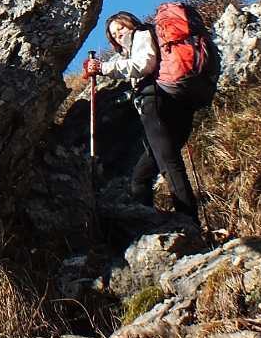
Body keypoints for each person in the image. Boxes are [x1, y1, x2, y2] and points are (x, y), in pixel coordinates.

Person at [84, 12, 199, 220]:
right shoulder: (150, 38)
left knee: (169, 165)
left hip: (155, 103)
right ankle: (144, 221)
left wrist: (103, 68)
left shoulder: (141, 33)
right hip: (178, 105)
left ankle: (190, 222)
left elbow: (144, 64)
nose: (119, 35)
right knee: (141, 177)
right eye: (114, 34)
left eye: (121, 28)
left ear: (131, 24)